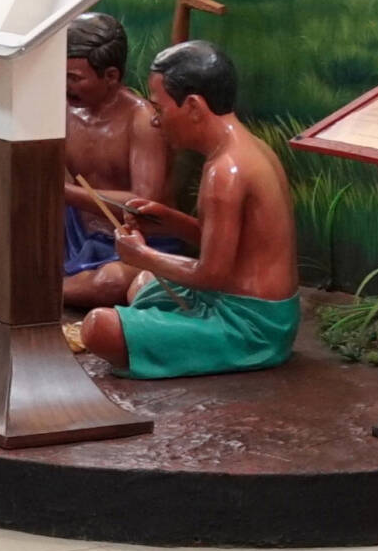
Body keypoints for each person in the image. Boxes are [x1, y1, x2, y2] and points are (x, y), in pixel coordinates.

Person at [0, 12, 173, 307]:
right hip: (76, 230)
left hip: (136, 242)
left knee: (110, 282)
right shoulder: (62, 107)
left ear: (111, 76)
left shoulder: (141, 120)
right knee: (18, 201)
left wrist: (63, 192)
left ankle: (17, 293)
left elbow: (144, 204)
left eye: (74, 78)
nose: (64, 86)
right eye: (59, 76)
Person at [78, 39, 299, 378]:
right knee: (143, 285)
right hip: (248, 308)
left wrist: (141, 254)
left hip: (249, 328)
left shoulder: (225, 173)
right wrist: (168, 221)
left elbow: (212, 275)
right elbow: (230, 246)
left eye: (159, 108)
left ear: (194, 107)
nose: (155, 120)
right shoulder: (249, 149)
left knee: (98, 327)